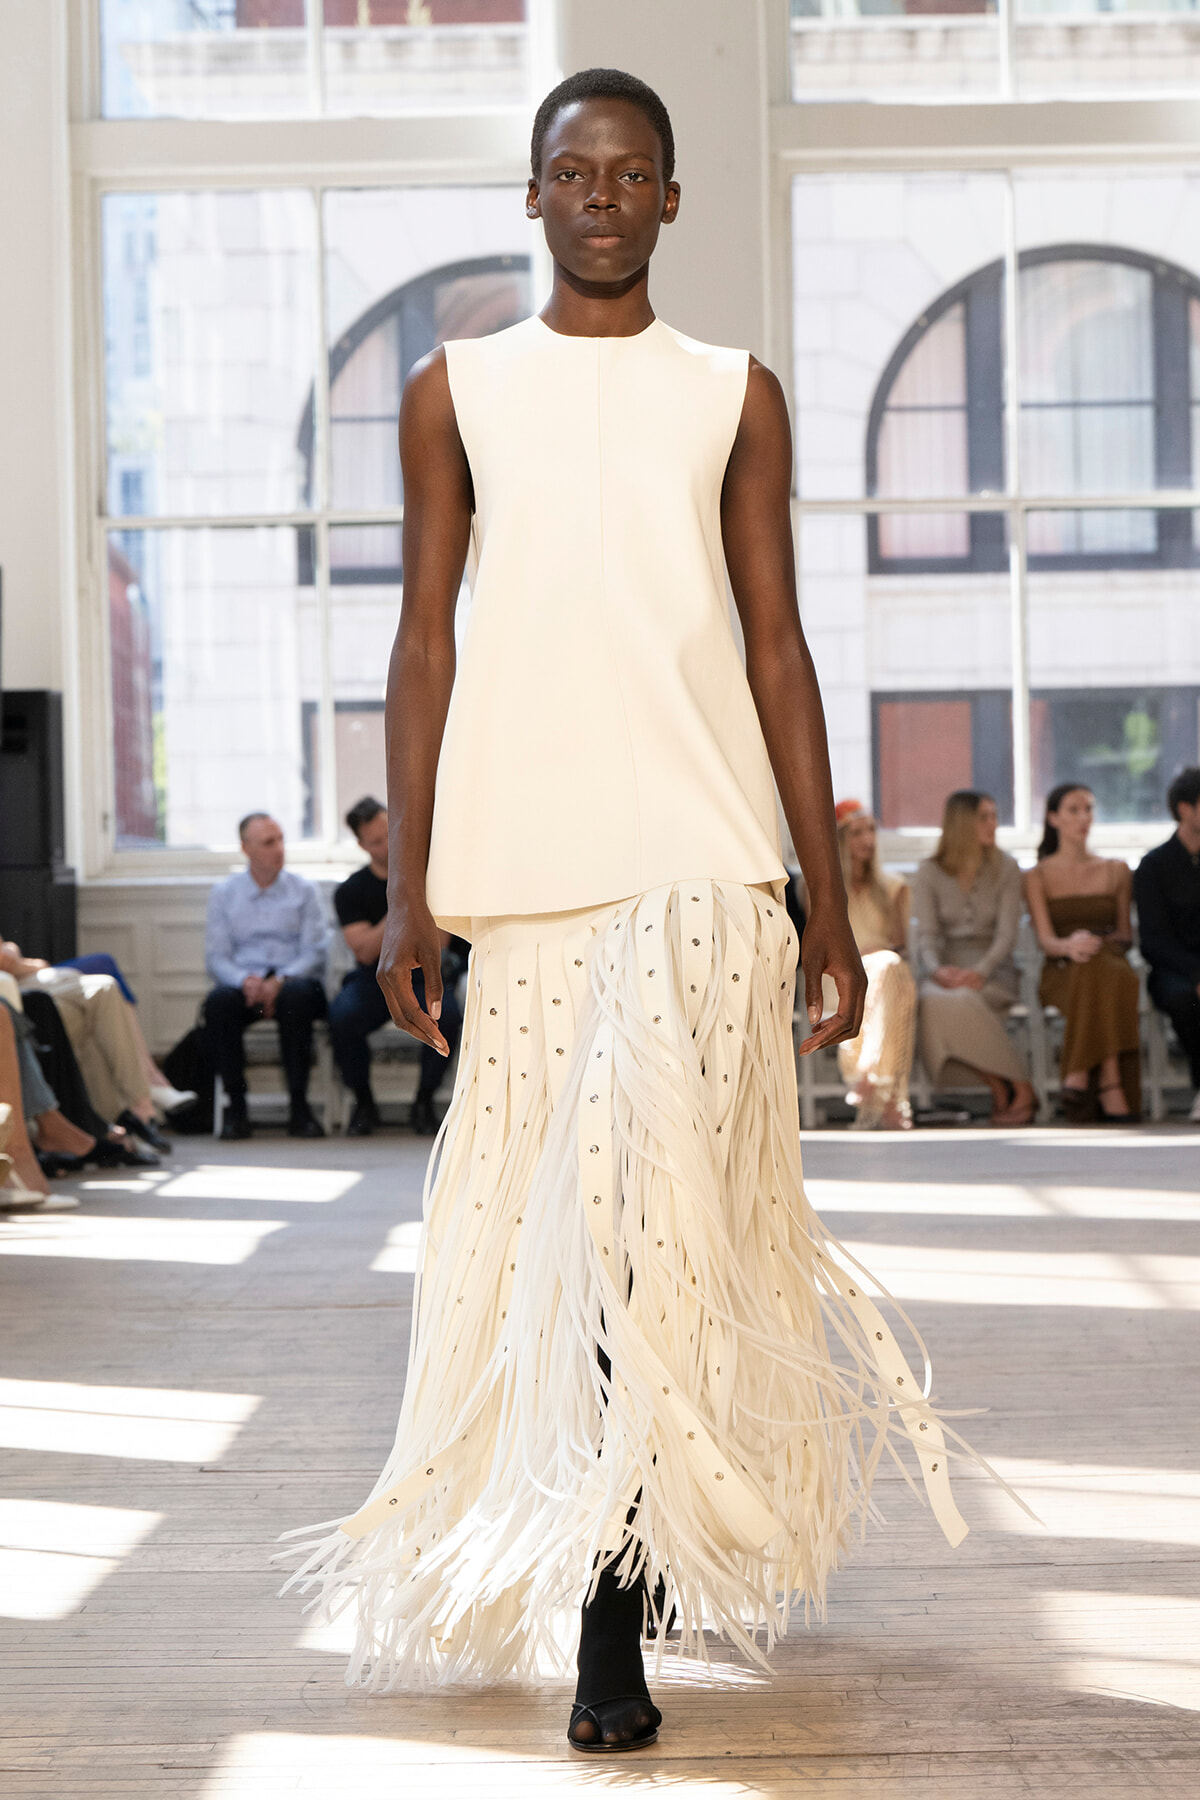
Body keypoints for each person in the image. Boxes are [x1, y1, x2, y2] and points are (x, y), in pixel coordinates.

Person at [283, 70, 983, 1753]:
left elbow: (775, 645)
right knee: (572, 1242)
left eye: (631, 173)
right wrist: (414, 896)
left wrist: (818, 899)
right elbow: (425, 645)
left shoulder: (733, 394)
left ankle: (613, 1609)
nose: (599, 195)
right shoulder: (457, 393)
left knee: (657, 1230)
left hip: (699, 862)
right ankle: (624, 1543)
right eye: (569, 171)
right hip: (523, 880)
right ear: (532, 197)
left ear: (672, 200)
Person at [329, 796, 464, 1137]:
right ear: (361, 845)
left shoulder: (432, 876)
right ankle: (363, 1102)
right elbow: (363, 951)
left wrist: (414, 889)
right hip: (374, 977)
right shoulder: (352, 890)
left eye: (391, 833)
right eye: (376, 840)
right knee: (343, 1017)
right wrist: (405, 901)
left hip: (423, 973)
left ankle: (424, 1100)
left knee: (446, 1016)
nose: (388, 844)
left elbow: (441, 943)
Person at [913, 791, 1037, 1127]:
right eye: (984, 817)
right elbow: (927, 934)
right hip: (946, 969)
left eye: (995, 816)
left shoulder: (1007, 868)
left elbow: (1007, 934)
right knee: (931, 1000)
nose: (993, 824)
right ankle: (1010, 1084)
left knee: (964, 998)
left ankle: (1011, 1087)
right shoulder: (928, 871)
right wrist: (938, 970)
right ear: (962, 823)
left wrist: (980, 971)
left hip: (995, 970)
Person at [203, 813, 329, 1140]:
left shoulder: (305, 891)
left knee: (297, 998)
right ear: (246, 848)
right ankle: (237, 1108)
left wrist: (281, 980)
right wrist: (245, 981)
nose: (279, 848)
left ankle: (299, 1108)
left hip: (293, 982)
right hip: (246, 984)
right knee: (217, 1005)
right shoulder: (224, 893)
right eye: (269, 842)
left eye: (281, 839)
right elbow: (217, 957)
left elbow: (314, 952)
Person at [1025, 783, 1140, 1123]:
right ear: (1053, 818)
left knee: (1106, 968)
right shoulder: (1037, 875)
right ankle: (1109, 1079)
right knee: (1099, 971)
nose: (1084, 818)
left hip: (1109, 962)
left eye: (1088, 809)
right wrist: (1070, 946)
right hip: (1061, 969)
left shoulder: (1116, 870)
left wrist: (1093, 943)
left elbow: (1125, 935)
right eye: (1074, 810)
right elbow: (1046, 940)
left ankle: (1078, 1072)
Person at [831, 800, 916, 1130]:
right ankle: (891, 1099)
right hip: (840, 974)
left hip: (884, 971)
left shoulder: (893, 887)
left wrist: (877, 955)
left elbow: (899, 945)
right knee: (893, 979)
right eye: (856, 833)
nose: (867, 839)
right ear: (840, 839)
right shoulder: (823, 889)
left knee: (888, 968)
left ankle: (868, 1071)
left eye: (870, 831)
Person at [1133, 767, 1200, 1123]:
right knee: (1184, 1001)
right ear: (1186, 810)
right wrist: (1195, 974)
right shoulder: (1153, 866)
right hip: (1174, 970)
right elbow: (1153, 942)